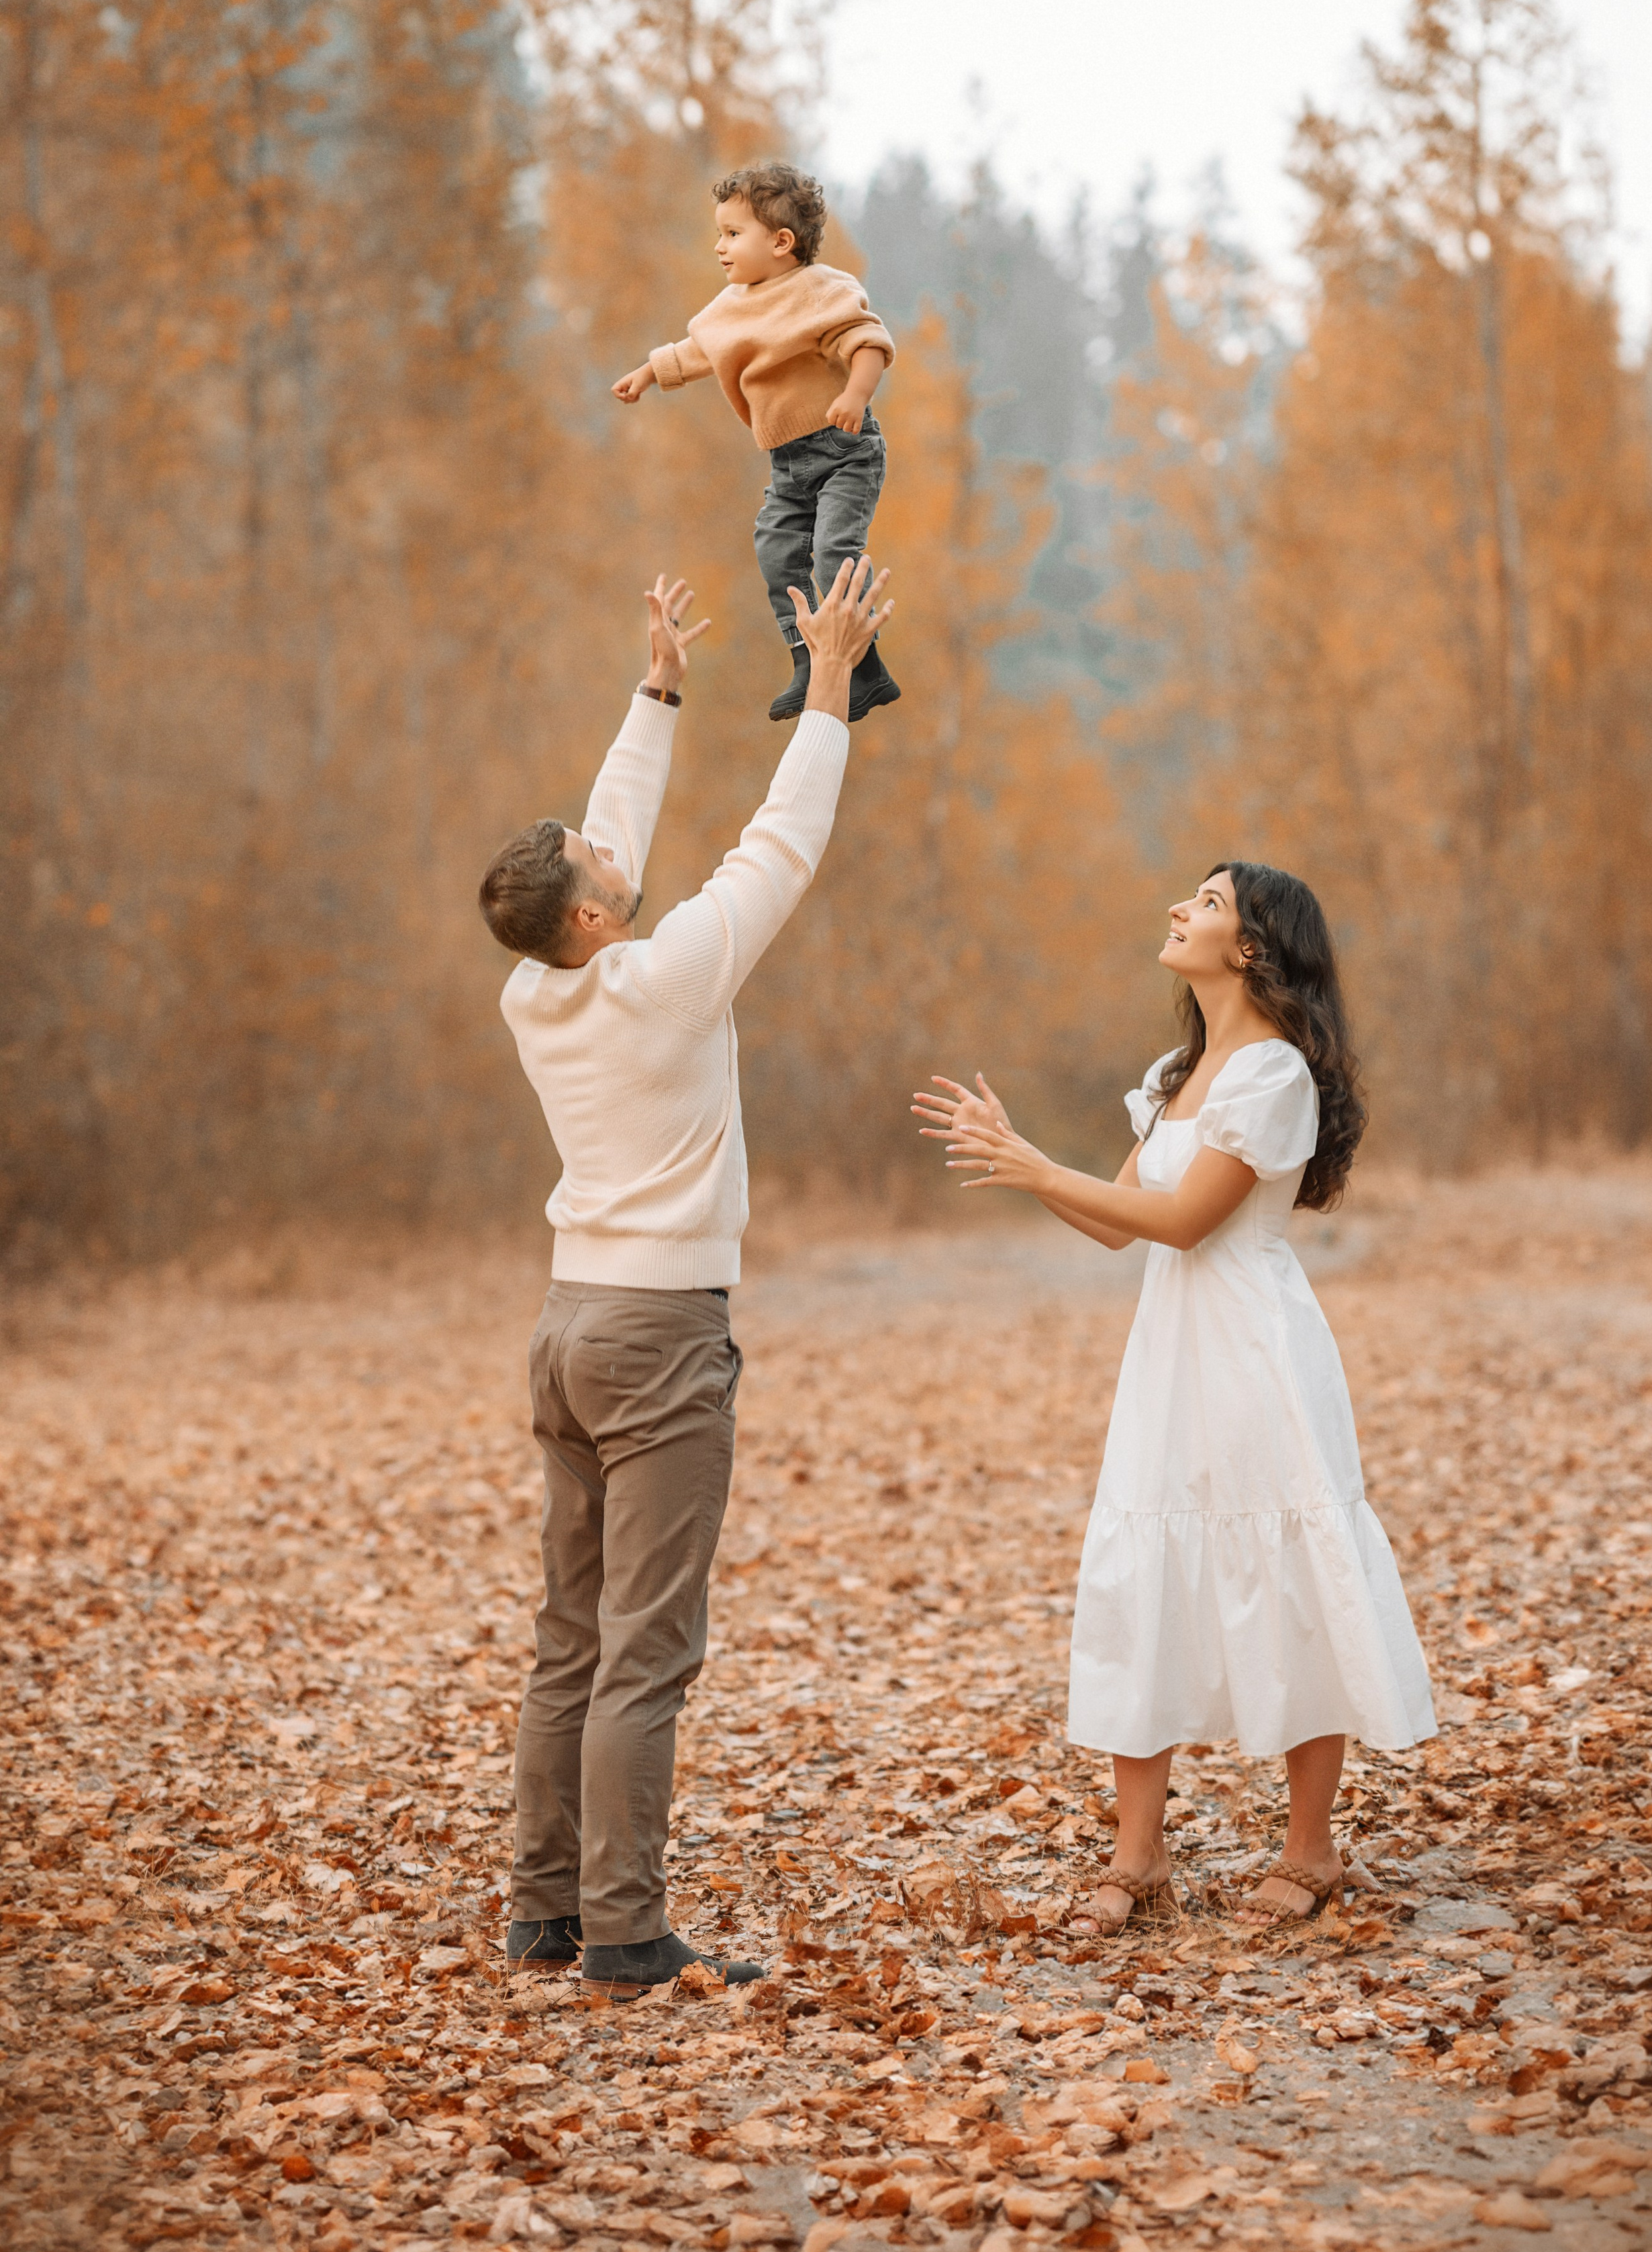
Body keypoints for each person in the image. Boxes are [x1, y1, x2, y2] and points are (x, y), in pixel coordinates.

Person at [479, 556, 892, 1996]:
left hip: (567, 1326)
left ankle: (542, 1912)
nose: (608, 853)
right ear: (594, 916)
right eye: (593, 863)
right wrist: (828, 682)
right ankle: (625, 1931)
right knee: (644, 1652)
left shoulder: (536, 987)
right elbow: (781, 846)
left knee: (569, 1637)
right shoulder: (662, 981)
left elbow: (604, 838)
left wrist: (657, 691)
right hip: (657, 1336)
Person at [912, 863, 1435, 1932]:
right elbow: (1119, 1222)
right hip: (1170, 1354)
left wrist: (1036, 1165)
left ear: (1250, 948)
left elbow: (1190, 1221)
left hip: (1254, 1349)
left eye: (1206, 903)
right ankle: (1138, 1855)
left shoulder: (1273, 1074)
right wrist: (1022, 1162)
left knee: (1288, 1575)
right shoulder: (1177, 1075)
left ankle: (1311, 1850)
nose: (1178, 910)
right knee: (1139, 1573)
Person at [612, 160, 901, 727]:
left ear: (781, 242)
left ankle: (864, 662)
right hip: (788, 463)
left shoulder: (821, 290)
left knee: (834, 553)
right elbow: (697, 351)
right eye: (719, 233)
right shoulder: (732, 305)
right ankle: (804, 658)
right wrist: (647, 373)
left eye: (732, 233)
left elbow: (868, 341)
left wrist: (855, 395)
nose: (719, 246)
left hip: (844, 451)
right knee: (775, 553)